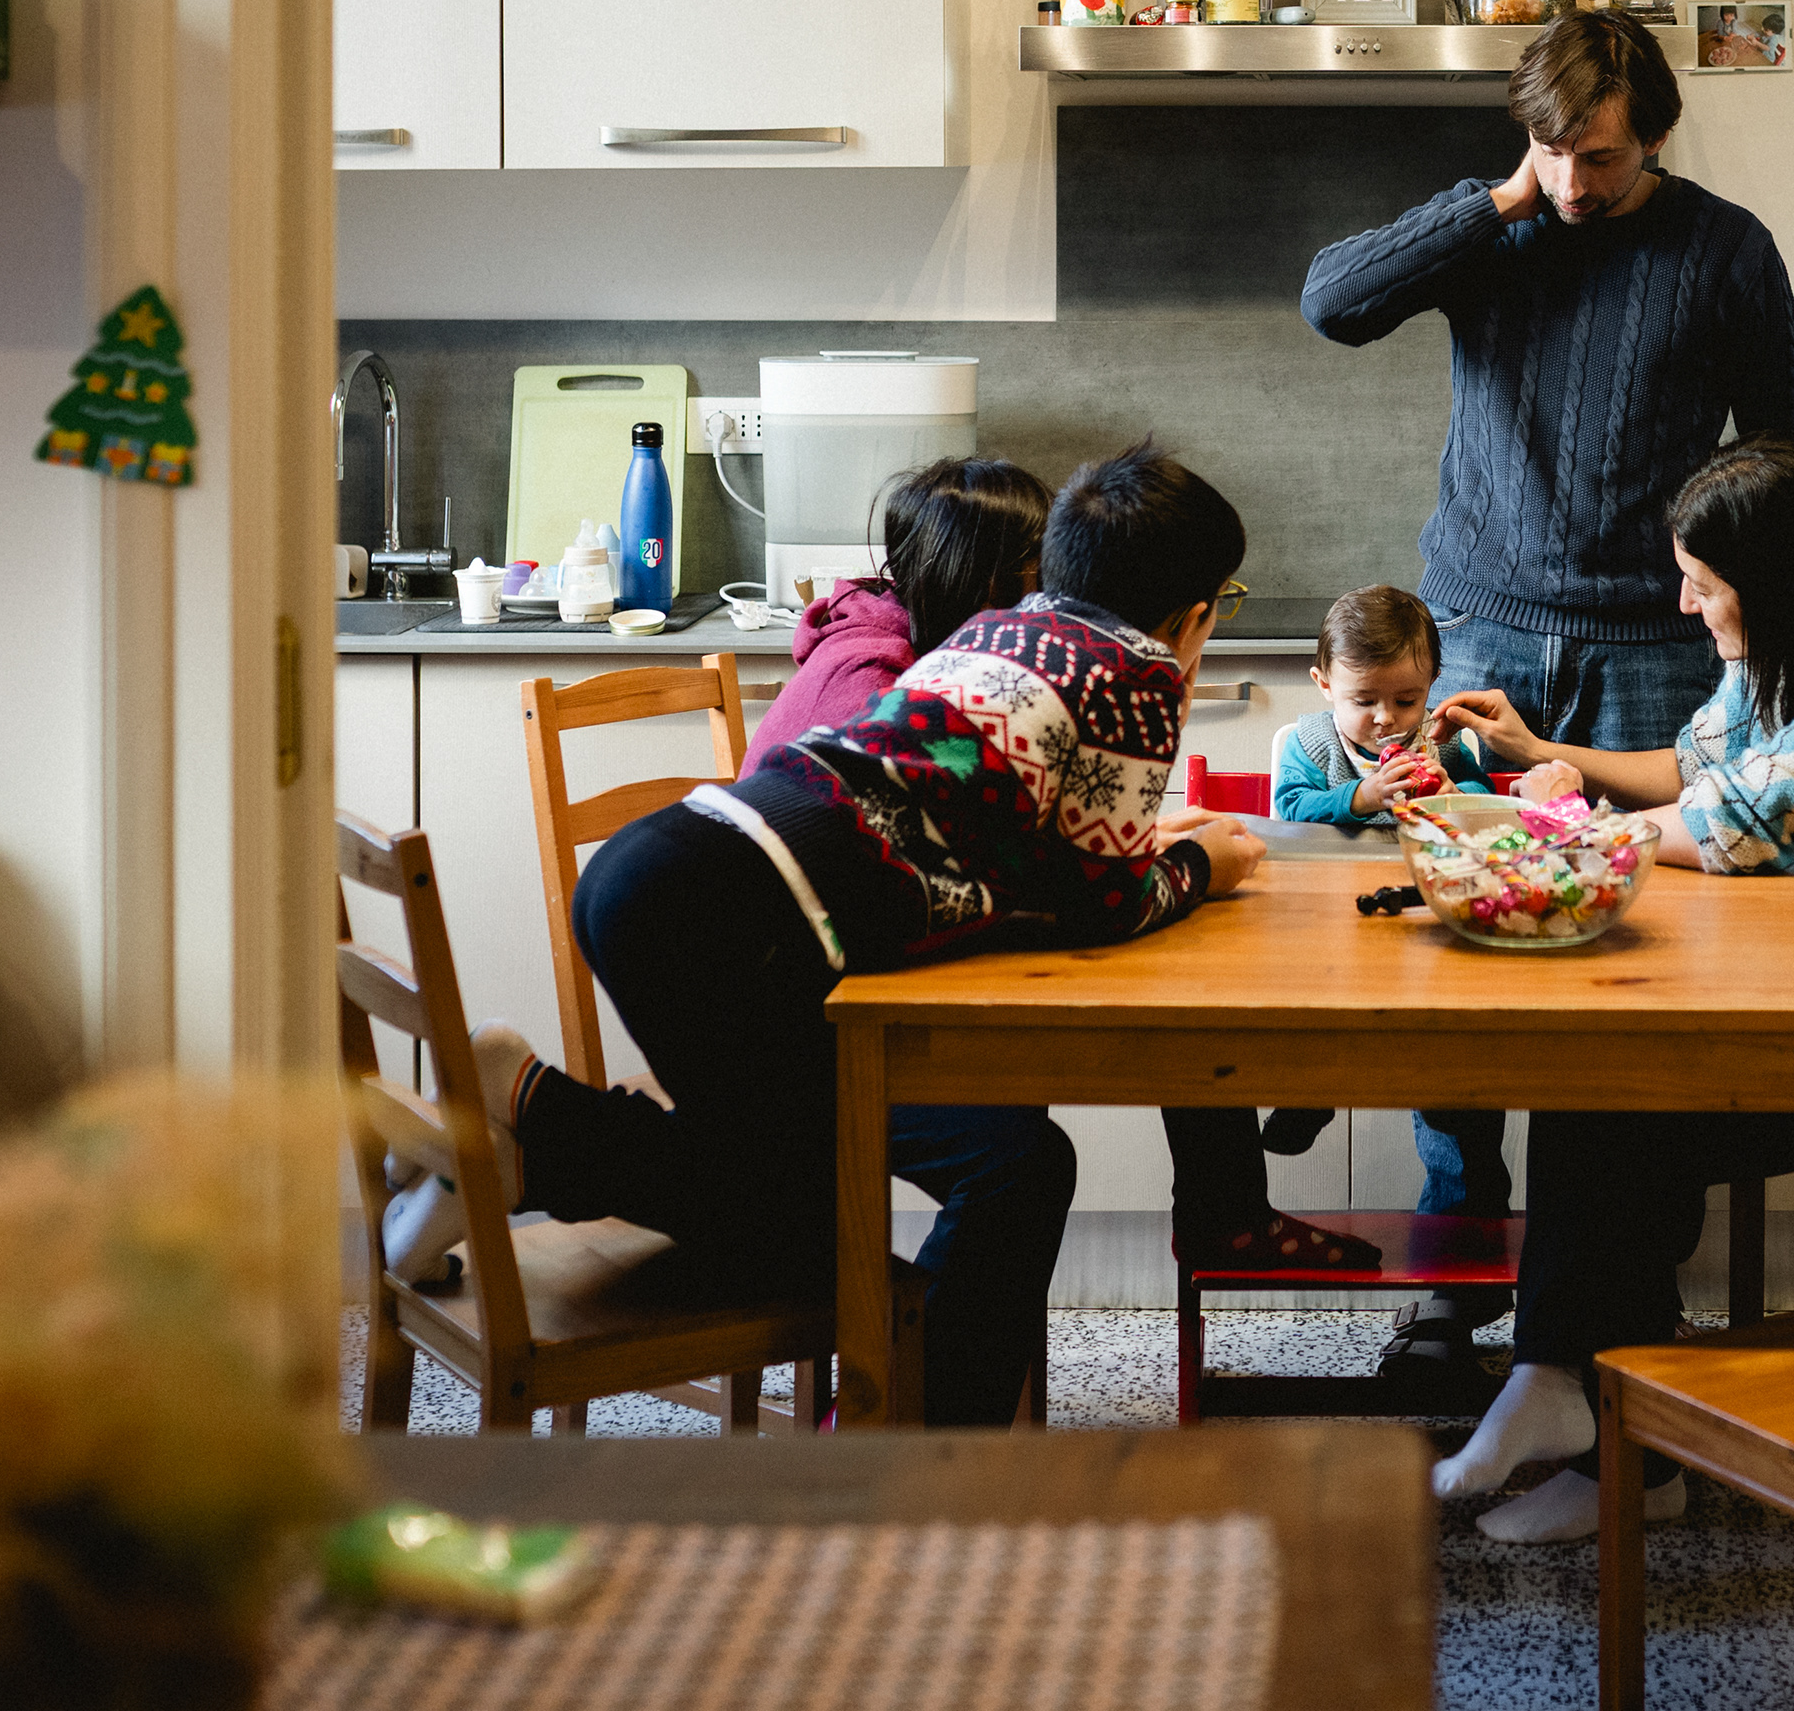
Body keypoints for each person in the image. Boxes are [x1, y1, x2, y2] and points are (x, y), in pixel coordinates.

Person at [447, 443, 1277, 1428]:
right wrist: (1201, 868)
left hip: (667, 870)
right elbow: (1106, 901)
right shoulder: (1138, 670)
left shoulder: (1007, 630)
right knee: (1006, 1166)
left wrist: (1119, 859)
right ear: (1194, 616)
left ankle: (539, 1128)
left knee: (791, 1196)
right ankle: (907, 1455)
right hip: (738, 921)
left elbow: (1004, 835)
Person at [1302, 9, 1794, 1356]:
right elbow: (1332, 303)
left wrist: (1756, 633)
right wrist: (1500, 200)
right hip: (1480, 641)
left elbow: (1786, 452)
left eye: (1599, 155)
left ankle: (1622, 1300)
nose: (1576, 182)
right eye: (1552, 149)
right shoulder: (1499, 226)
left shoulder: (1724, 250)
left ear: (1656, 134)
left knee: (1656, 975)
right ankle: (1457, 1278)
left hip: (1657, 652)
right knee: (1456, 966)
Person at [1422, 432, 1794, 1542]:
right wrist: (1539, 755)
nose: (1685, 602)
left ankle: (1598, 1421)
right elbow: (1702, 767)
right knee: (1605, 1069)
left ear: (1774, 579)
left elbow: (1743, 826)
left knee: (1624, 1107)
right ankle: (1586, 1407)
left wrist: (1551, 837)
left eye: (1704, 587)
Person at [1252, 586, 1500, 1166]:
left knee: (1447, 1027)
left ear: (1431, 687)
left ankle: (1454, 1127)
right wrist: (1360, 796)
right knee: (1314, 1000)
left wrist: (1452, 794)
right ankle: (1309, 1092)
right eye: (1364, 700)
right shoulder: (1310, 745)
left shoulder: (1439, 746)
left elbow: (1483, 803)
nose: (1386, 719)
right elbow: (1290, 808)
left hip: (1418, 911)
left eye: (1407, 701)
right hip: (1332, 917)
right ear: (1324, 685)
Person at [756, 456, 1049, 753]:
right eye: (1039, 575)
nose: (1048, 598)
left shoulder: (924, 639)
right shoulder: (869, 680)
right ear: (985, 583)